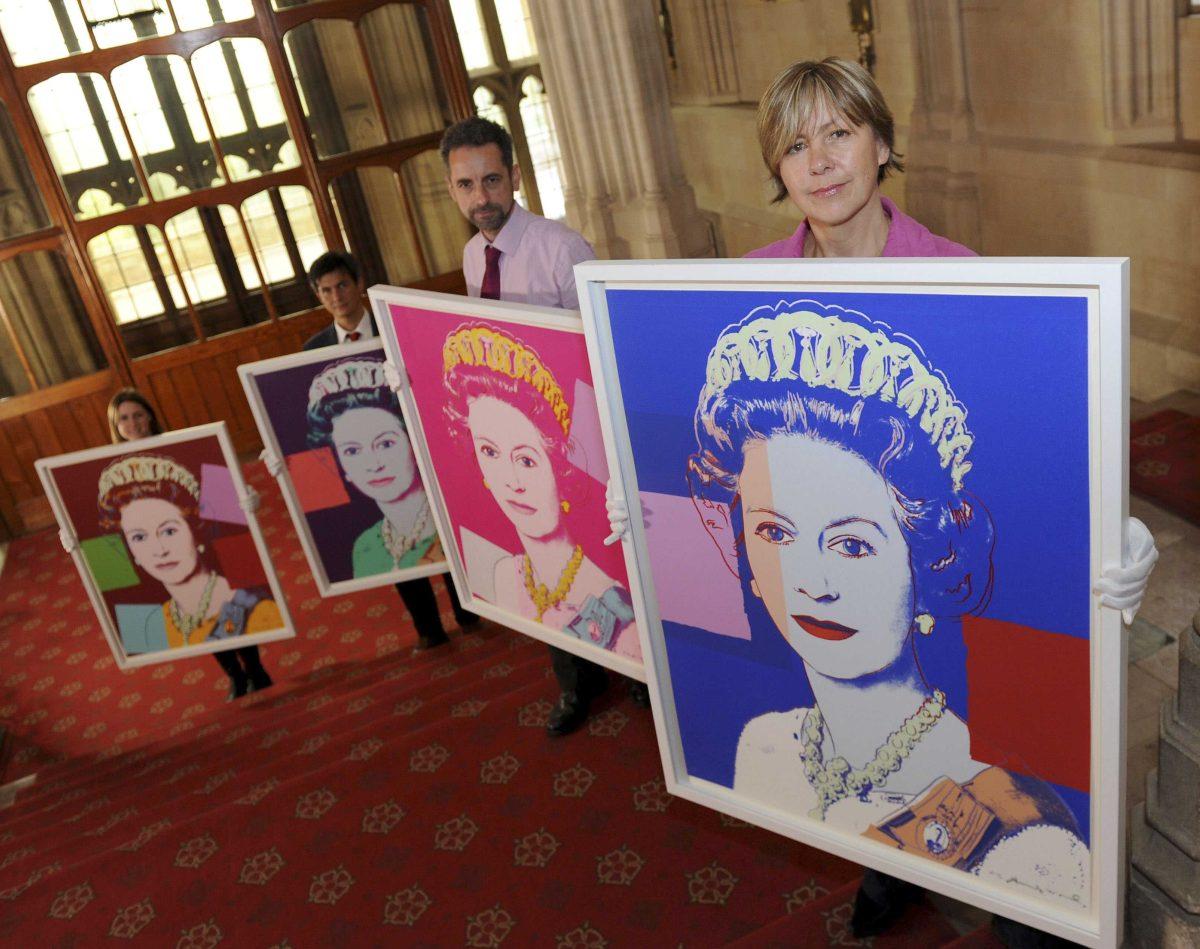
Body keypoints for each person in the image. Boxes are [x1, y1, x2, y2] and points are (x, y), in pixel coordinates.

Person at [734, 56, 1158, 944]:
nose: (819, 162)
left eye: (840, 134)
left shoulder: (962, 273)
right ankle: (884, 870)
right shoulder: (750, 288)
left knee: (991, 771)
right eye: (796, 145)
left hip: (936, 576)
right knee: (845, 723)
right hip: (825, 558)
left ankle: (1025, 912)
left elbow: (1026, 441)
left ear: (882, 143)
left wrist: (1105, 533)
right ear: (776, 169)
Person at [690, 301, 1089, 908]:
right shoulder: (767, 745)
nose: (811, 583)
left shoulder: (1025, 838)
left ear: (926, 560)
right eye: (775, 533)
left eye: (851, 544)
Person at [441, 115, 640, 736]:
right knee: (541, 564)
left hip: (579, 449)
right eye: (467, 185)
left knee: (602, 562)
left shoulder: (560, 247)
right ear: (452, 190)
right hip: (521, 449)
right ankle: (576, 685)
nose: (481, 198)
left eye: (492, 180)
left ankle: (637, 677)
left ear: (515, 176)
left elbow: (600, 351)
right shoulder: (475, 255)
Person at [297, 250, 474, 651]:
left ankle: (467, 609)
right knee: (393, 538)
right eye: (326, 291)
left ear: (358, 283)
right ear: (318, 296)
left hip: (418, 448)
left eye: (342, 285)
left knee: (440, 529)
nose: (337, 296)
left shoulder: (393, 325)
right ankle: (428, 627)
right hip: (368, 462)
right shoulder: (312, 351)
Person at [442, 323, 641, 658]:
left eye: (527, 460)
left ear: (558, 468)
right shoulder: (507, 573)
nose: (512, 481)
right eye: (490, 453)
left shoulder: (619, 613)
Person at [105, 388, 274, 699]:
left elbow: (216, 478)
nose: (132, 423)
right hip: (156, 556)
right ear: (115, 427)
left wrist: (245, 497)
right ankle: (234, 675)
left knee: (226, 599)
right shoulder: (107, 468)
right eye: (123, 419)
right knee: (191, 612)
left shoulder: (181, 446)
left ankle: (254, 668)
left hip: (200, 540)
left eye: (138, 415)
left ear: (150, 416)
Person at [96, 452, 282, 657]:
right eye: (139, 537)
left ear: (195, 531)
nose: (159, 550)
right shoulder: (157, 623)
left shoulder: (258, 610)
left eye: (169, 531)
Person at [306, 356, 443, 576]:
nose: (373, 465)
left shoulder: (448, 525)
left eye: (386, 444)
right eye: (352, 451)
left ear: (414, 443)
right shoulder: (365, 548)